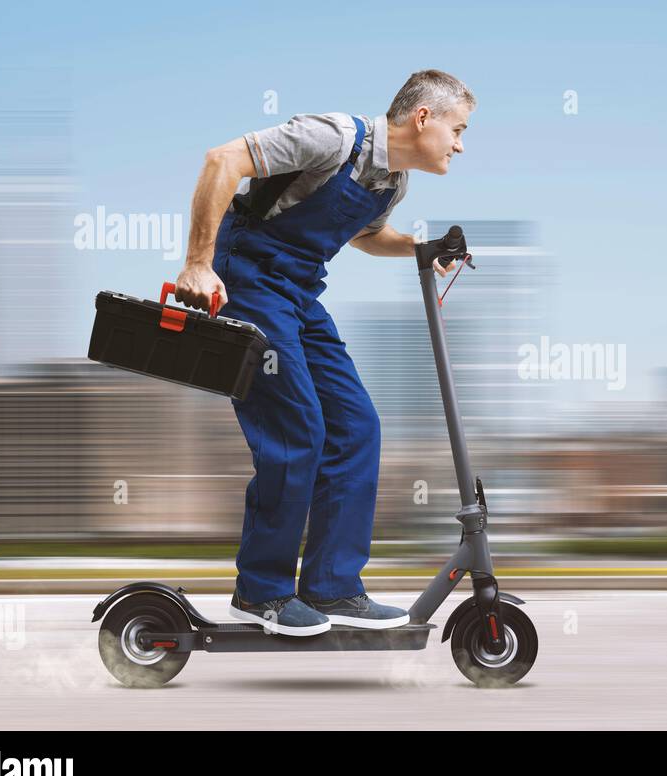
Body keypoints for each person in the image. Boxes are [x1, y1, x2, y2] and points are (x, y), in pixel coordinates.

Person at [173, 69, 474, 636]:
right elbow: (222, 161)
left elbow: (363, 235)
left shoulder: (392, 183)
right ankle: (261, 593)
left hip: (299, 291)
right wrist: (198, 262)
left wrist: (419, 246)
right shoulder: (333, 137)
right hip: (249, 278)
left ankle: (333, 587)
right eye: (458, 129)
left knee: (357, 426)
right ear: (423, 117)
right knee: (297, 427)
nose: (460, 145)